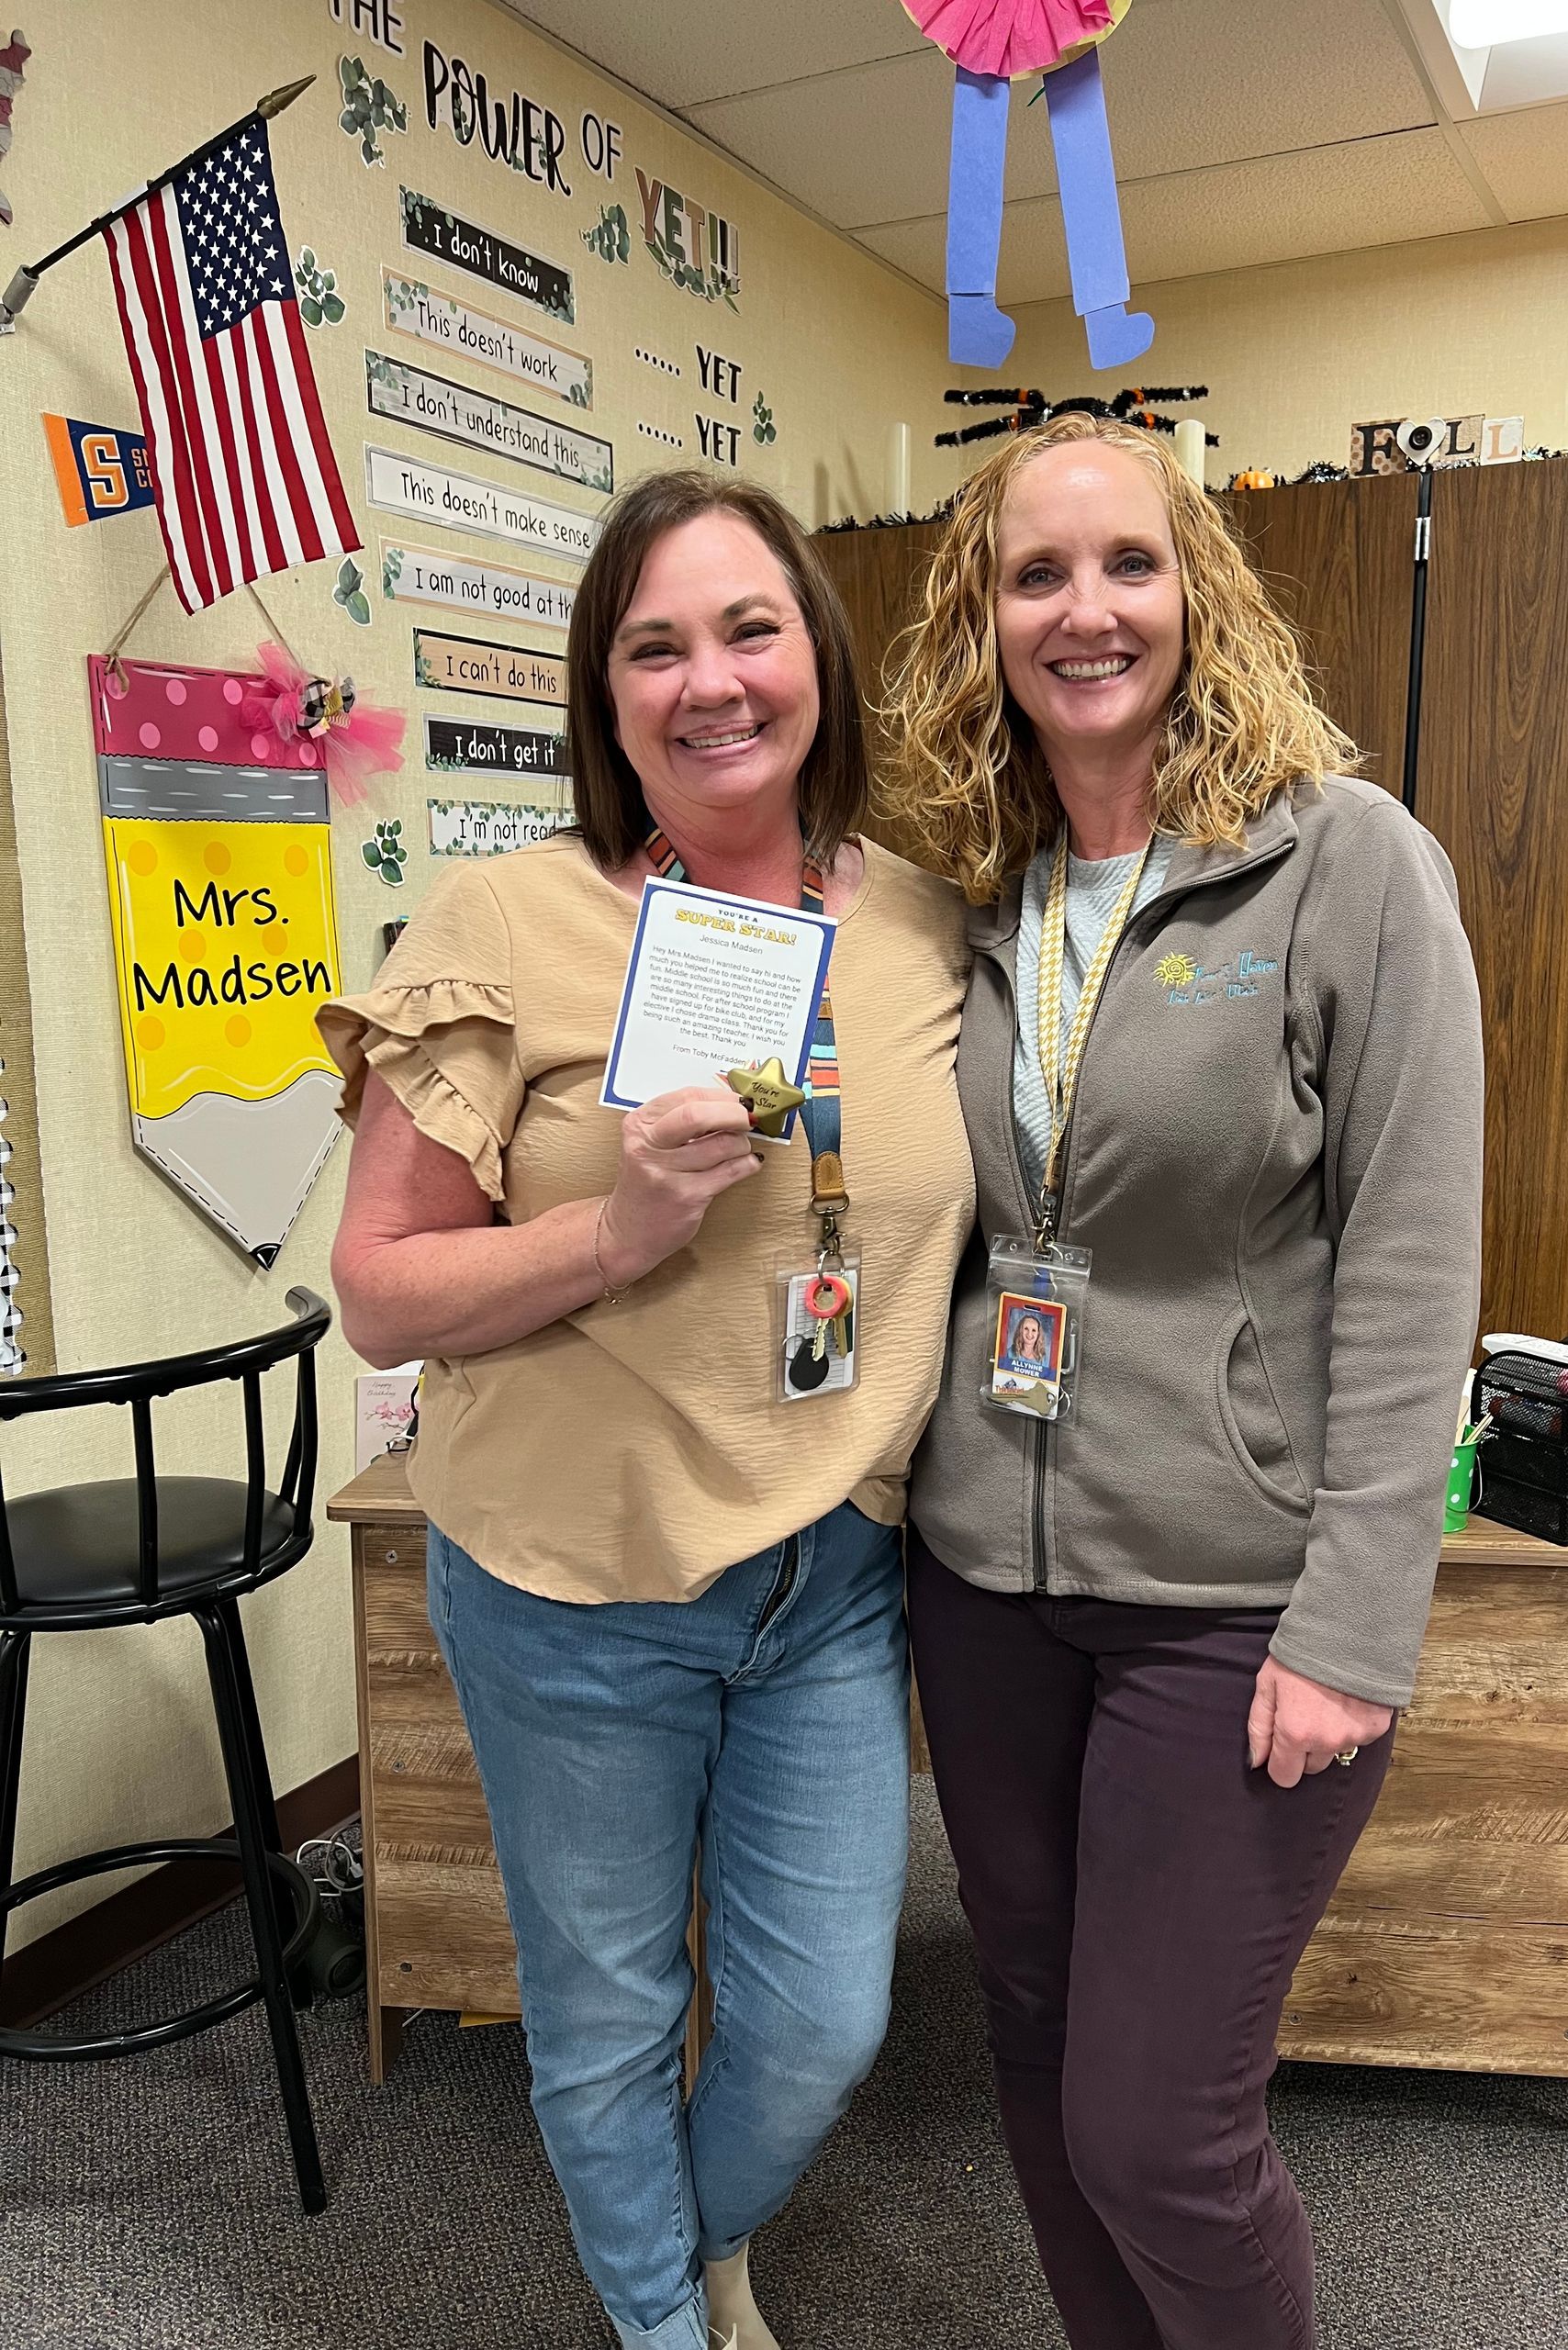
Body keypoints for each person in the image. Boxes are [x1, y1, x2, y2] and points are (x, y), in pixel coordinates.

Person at [320, 470, 975, 2350]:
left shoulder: (929, 927)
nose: (712, 680)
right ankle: (662, 2319)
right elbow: (378, 1281)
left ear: (818, 663)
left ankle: (691, 2228)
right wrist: (616, 1225)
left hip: (826, 1581)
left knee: (823, 2016)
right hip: (567, 1581)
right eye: (654, 645)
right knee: (602, 2014)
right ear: (605, 699)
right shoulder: (505, 918)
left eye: (750, 627)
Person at [881, 411, 1483, 2350]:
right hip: (989, 1587)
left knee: (1160, 2126)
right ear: (984, 620)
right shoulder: (966, 888)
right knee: (1046, 2067)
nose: (1084, 610)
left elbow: (1410, 1261)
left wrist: (1361, 1617)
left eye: (1126, 563)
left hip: (1232, 1606)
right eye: (1035, 574)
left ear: (1196, 589)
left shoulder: (1343, 864)